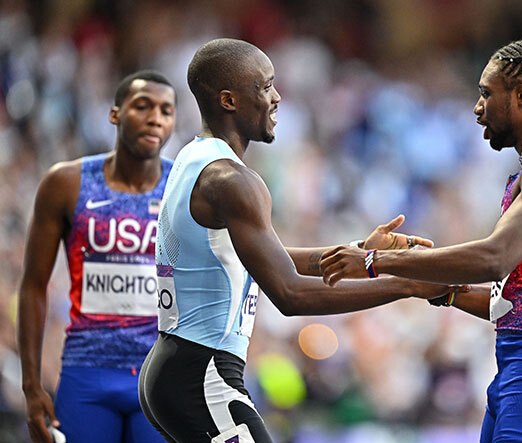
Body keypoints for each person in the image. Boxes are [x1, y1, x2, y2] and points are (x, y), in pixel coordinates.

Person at [137, 38, 450, 443]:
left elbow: (270, 260)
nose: (277, 97)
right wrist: (405, 285)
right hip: (203, 374)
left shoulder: (196, 158)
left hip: (177, 368)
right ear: (229, 100)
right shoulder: (234, 181)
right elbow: (289, 294)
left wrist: (361, 253)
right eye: (265, 86)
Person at [320, 39, 522, 443]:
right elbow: (520, 301)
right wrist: (441, 291)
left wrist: (376, 261)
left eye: (487, 93)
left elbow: (495, 257)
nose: (477, 108)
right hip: (521, 365)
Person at [17, 71, 177, 443]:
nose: (155, 117)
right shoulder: (67, 183)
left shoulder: (186, 187)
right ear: (115, 114)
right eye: (143, 106)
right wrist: (31, 385)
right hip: (86, 372)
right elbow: (32, 287)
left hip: (159, 376)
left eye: (166, 111)